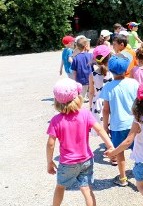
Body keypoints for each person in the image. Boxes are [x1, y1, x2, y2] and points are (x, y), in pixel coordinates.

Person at [46, 78, 114, 206]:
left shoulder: (56, 120)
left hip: (67, 163)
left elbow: (50, 144)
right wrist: (110, 146)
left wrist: (50, 162)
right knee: (86, 188)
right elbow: (100, 130)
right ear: (78, 97)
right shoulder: (85, 114)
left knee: (60, 187)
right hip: (86, 160)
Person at [106, 81, 143, 206]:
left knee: (141, 186)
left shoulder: (139, 119)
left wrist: (113, 152)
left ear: (139, 100)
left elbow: (128, 141)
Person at [100, 55, 140, 187]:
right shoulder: (134, 83)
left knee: (119, 152)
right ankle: (140, 173)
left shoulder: (108, 87)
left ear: (110, 70)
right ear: (126, 69)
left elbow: (106, 110)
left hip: (117, 125)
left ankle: (123, 178)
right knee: (138, 150)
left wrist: (104, 127)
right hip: (134, 124)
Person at [88, 45, 113, 136]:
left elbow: (91, 92)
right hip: (111, 100)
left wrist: (91, 105)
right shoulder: (113, 73)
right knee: (112, 123)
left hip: (98, 102)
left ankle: (107, 143)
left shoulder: (92, 75)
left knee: (101, 127)